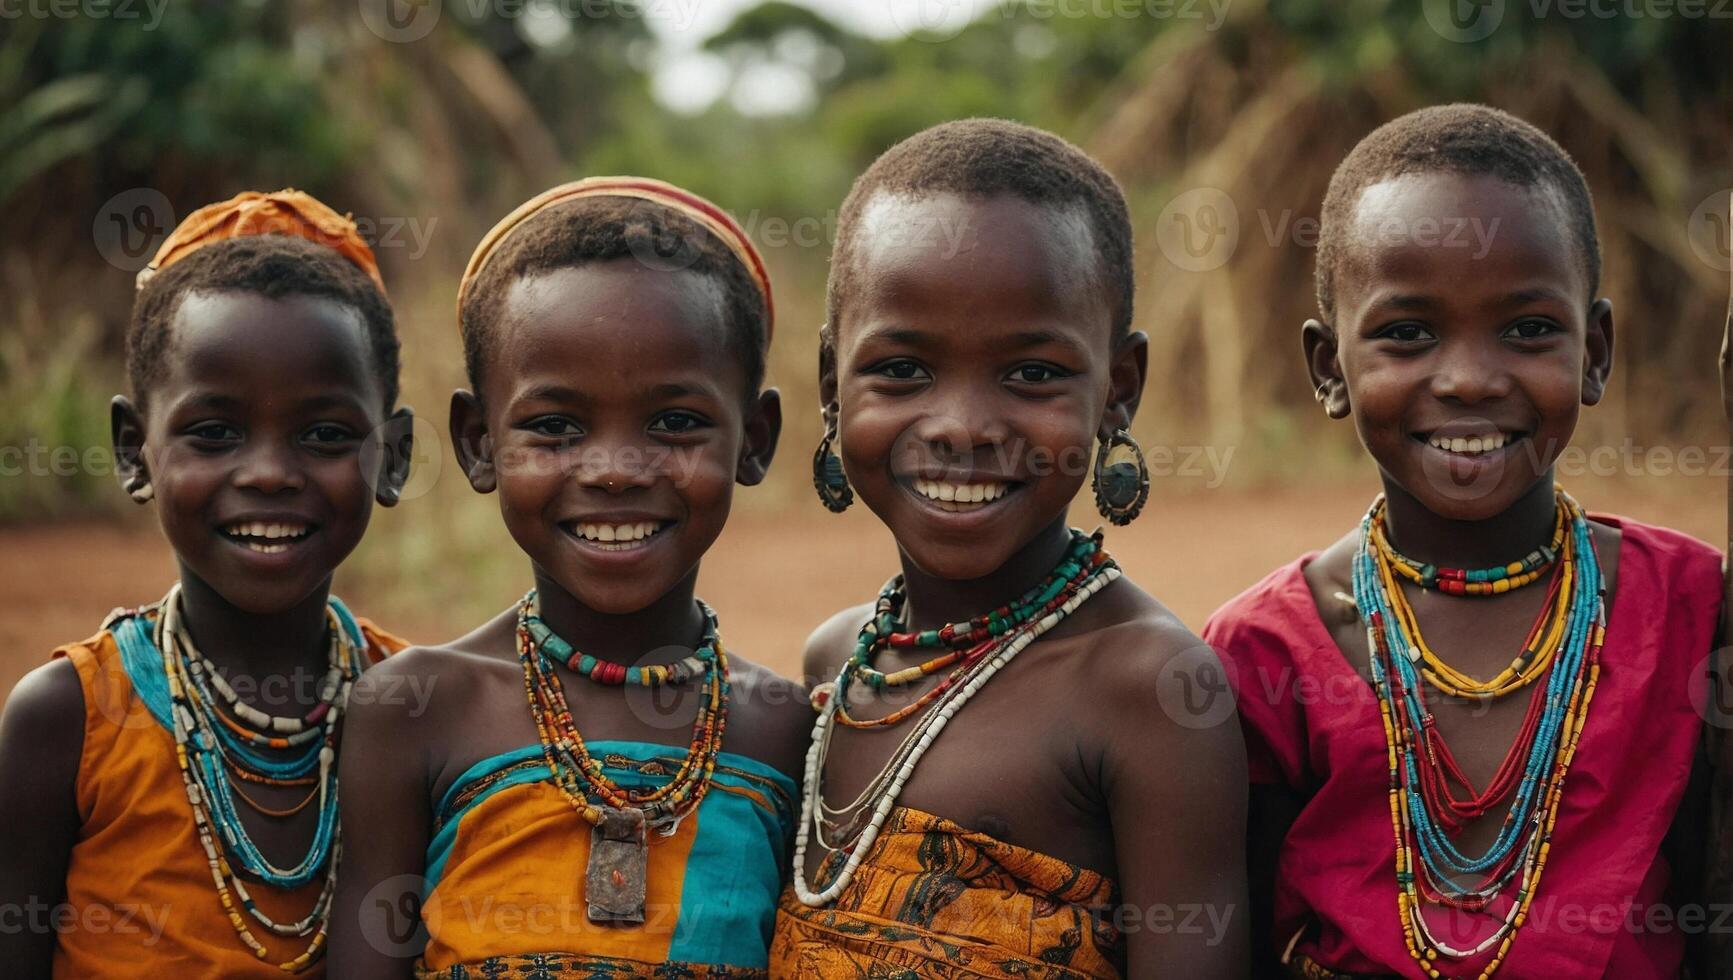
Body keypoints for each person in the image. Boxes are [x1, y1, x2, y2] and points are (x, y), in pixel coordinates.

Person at [1204, 104, 1723, 978]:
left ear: (1594, 351)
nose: (1471, 378)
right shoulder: (1263, 651)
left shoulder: (1692, 606)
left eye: (1527, 330)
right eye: (1407, 334)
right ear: (1329, 368)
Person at [772, 119, 1250, 979]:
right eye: (902, 371)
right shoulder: (842, 658)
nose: (962, 426)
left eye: (1030, 374)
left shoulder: (1146, 692)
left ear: (1118, 391)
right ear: (829, 385)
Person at [329, 177, 811, 979]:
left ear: (754, 439)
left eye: (675, 423)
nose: (615, 471)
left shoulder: (783, 730)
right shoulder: (414, 711)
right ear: (478, 443)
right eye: (555, 427)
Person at [0, 189, 415, 978]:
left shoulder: (414, 706)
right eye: (213, 432)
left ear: (392, 457)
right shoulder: (69, 720)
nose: (267, 472)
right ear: (133, 451)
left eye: (325, 434)